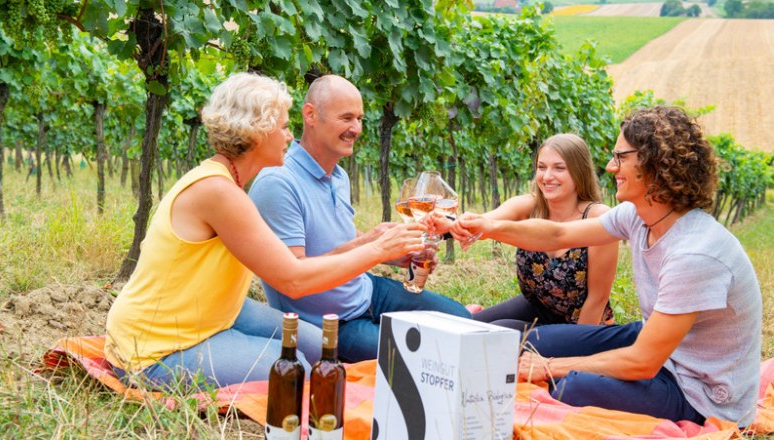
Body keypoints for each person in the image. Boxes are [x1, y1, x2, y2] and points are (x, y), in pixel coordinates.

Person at [104, 73, 426, 390]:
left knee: (317, 346)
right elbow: (294, 279)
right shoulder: (219, 193)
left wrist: (370, 240)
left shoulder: (228, 185)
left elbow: (288, 262)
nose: (290, 136)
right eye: (284, 127)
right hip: (152, 347)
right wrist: (379, 251)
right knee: (295, 369)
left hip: (212, 313)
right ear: (258, 132)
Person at [449, 106, 761, 426]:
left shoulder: (695, 255)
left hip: (699, 394)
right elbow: (557, 233)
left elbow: (642, 362)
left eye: (620, 156)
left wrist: (551, 366)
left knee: (571, 385)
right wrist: (487, 227)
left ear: (654, 164)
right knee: (522, 340)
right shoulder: (639, 216)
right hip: (659, 348)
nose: (611, 167)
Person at [250, 75, 471, 363]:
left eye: (359, 118)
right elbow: (296, 272)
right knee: (426, 357)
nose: (356, 128)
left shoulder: (338, 176)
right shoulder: (278, 183)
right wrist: (373, 244)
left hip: (367, 290)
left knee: (463, 324)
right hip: (330, 323)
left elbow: (339, 238)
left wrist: (394, 254)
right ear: (311, 115)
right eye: (346, 118)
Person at [449, 134, 618, 331]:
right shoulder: (530, 206)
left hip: (582, 322)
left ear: (579, 171)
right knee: (466, 325)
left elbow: (597, 299)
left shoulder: (598, 218)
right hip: (537, 306)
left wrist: (576, 348)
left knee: (497, 331)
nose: (547, 176)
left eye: (559, 168)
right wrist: (446, 224)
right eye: (542, 167)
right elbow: (485, 221)